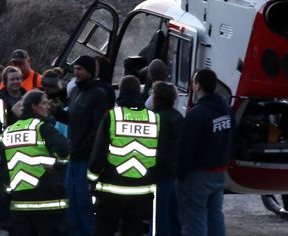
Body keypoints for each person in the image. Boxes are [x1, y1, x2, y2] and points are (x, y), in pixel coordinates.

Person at [89, 75, 159, 236]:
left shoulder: (113, 116)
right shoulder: (154, 119)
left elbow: (98, 152)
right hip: (141, 190)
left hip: (111, 188)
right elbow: (159, 154)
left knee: (103, 228)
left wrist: (92, 180)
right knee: (134, 229)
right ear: (139, 92)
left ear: (121, 92)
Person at [2, 90, 70, 236]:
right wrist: (58, 165)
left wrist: (7, 192)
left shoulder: (9, 131)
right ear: (34, 106)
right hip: (46, 199)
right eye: (44, 103)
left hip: (19, 202)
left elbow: (5, 166)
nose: (48, 107)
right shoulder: (42, 127)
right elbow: (64, 147)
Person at [55, 55, 110, 236]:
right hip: (73, 156)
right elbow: (72, 119)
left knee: (85, 202)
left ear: (90, 71)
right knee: (71, 200)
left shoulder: (98, 94)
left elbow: (98, 128)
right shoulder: (75, 92)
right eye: (75, 69)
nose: (76, 72)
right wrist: (55, 111)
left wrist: (84, 148)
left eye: (80, 69)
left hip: (85, 158)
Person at [178, 69, 233, 236]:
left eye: (194, 82)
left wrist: (180, 174)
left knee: (195, 219)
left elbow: (186, 149)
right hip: (219, 172)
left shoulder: (196, 114)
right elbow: (234, 138)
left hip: (198, 175)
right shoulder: (226, 110)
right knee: (215, 216)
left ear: (198, 86)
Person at [0, 66, 23, 229]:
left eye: (18, 78)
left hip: (23, 148)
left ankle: (17, 215)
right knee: (3, 187)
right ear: (5, 81)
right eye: (12, 79)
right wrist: (3, 147)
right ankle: (3, 217)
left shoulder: (27, 96)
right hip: (3, 150)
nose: (16, 82)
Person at [151, 82, 184, 236]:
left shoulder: (156, 118)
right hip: (175, 173)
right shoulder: (178, 116)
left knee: (159, 216)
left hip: (160, 174)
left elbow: (158, 149)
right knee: (173, 215)